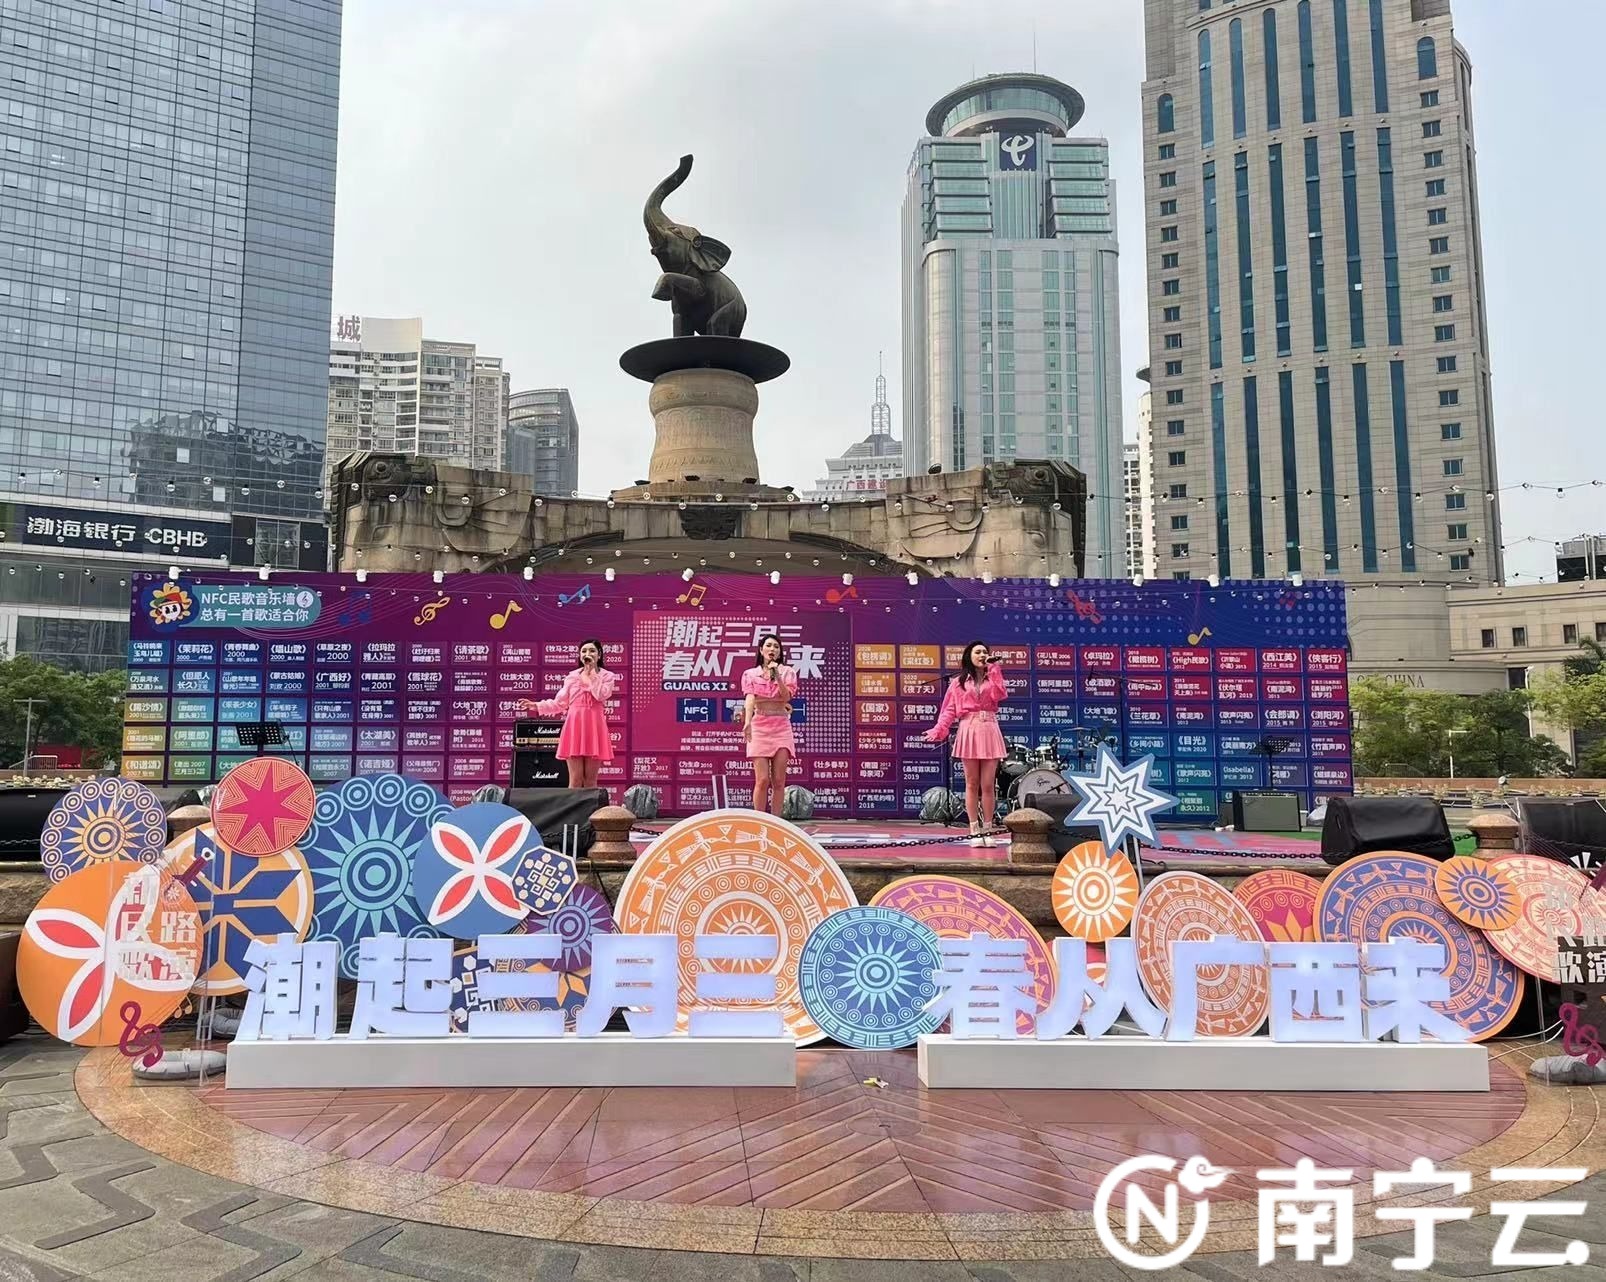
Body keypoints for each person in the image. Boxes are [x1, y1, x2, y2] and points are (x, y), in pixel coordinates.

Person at [923, 641, 1007, 847]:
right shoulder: (958, 682)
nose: (982, 655)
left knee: (988, 785)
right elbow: (949, 709)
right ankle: (974, 830)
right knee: (971, 783)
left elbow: (1000, 695)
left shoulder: (993, 676)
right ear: (969, 656)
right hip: (968, 729)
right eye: (978, 652)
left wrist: (994, 669)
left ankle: (988, 829)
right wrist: (939, 729)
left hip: (990, 728)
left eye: (985, 652)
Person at [528, 639, 615, 791]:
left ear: (599, 655)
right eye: (584, 651)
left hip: (594, 727)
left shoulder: (607, 676)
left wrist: (591, 674)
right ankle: (574, 808)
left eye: (592, 651)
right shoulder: (572, 677)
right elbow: (559, 703)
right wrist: (536, 706)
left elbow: (600, 695)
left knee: (590, 782)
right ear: (580, 655)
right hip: (574, 727)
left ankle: (590, 807)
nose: (587, 654)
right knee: (575, 780)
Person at [738, 633, 798, 815]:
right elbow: (750, 698)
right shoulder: (750, 674)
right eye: (769, 645)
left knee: (779, 781)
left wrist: (777, 675)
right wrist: (748, 722)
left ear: (780, 652)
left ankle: (776, 822)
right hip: (759, 726)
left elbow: (786, 697)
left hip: (781, 726)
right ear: (761, 650)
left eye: (776, 647)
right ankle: (759, 820)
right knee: (762, 779)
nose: (772, 649)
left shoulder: (788, 672)